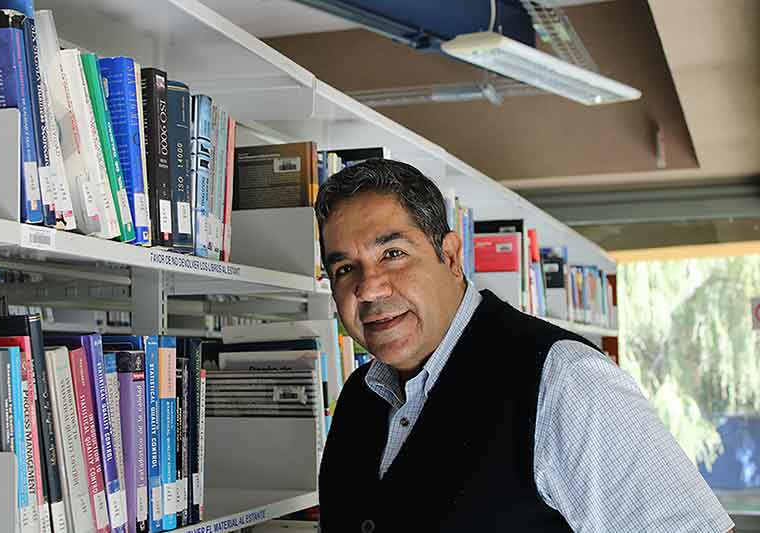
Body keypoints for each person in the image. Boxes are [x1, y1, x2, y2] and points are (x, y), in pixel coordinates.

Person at [315, 159, 734, 532]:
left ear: (451, 256)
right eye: (346, 268)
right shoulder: (358, 398)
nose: (369, 288)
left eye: (393, 253)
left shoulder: (566, 382)